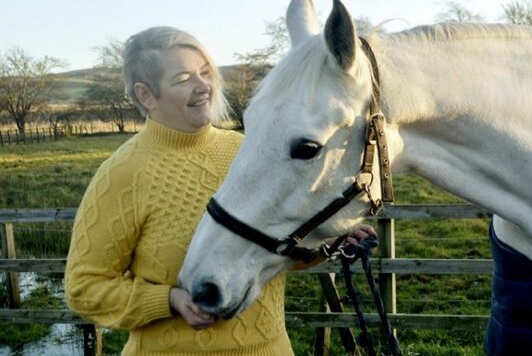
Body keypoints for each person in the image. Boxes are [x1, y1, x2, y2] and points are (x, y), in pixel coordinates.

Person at [65, 26, 376, 355]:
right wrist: (167, 301)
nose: (204, 86)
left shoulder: (248, 151)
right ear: (146, 95)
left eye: (204, 72)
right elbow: (84, 287)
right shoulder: (123, 174)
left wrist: (328, 244)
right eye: (184, 79)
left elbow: (268, 251)